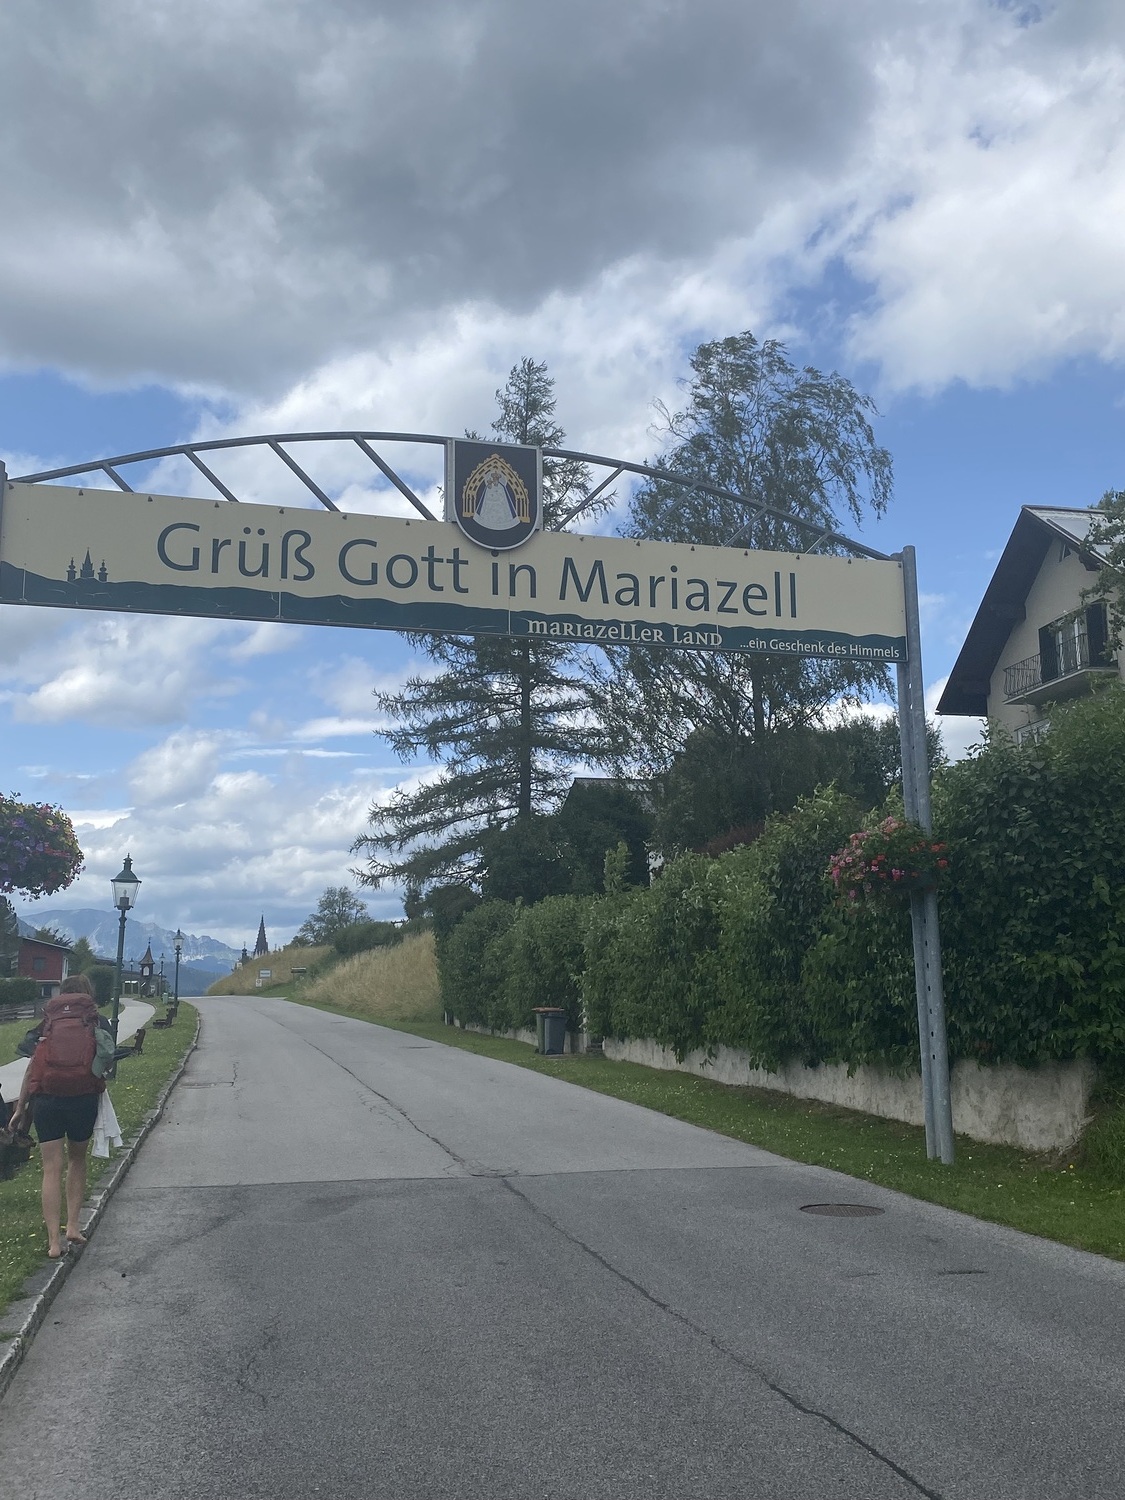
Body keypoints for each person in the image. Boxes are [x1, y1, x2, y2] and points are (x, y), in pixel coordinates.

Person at [11, 975, 107, 1259]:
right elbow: (106, 1061)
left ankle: (54, 1242)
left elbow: (32, 1066)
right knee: (77, 1159)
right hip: (83, 1099)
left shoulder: (47, 1022)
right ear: (87, 993)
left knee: (51, 1168)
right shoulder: (96, 1021)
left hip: (47, 1100)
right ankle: (73, 1226)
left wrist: (20, 1108)